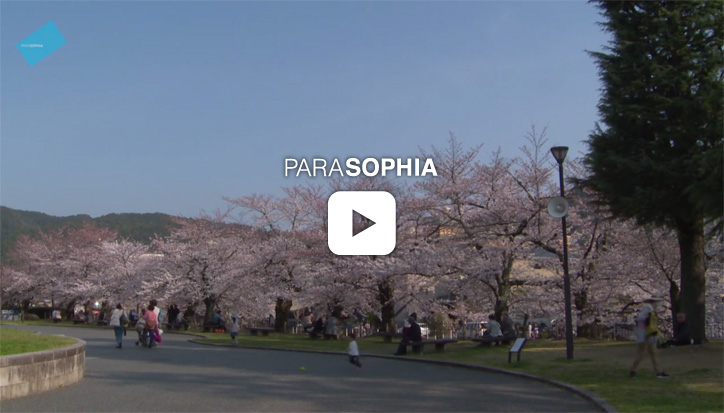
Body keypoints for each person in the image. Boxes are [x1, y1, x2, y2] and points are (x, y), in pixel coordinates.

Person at [630, 296, 669, 378]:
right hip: (646, 334)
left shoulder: (650, 310)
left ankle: (658, 371)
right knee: (644, 353)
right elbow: (640, 321)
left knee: (652, 352)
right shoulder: (647, 309)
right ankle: (634, 370)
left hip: (648, 333)